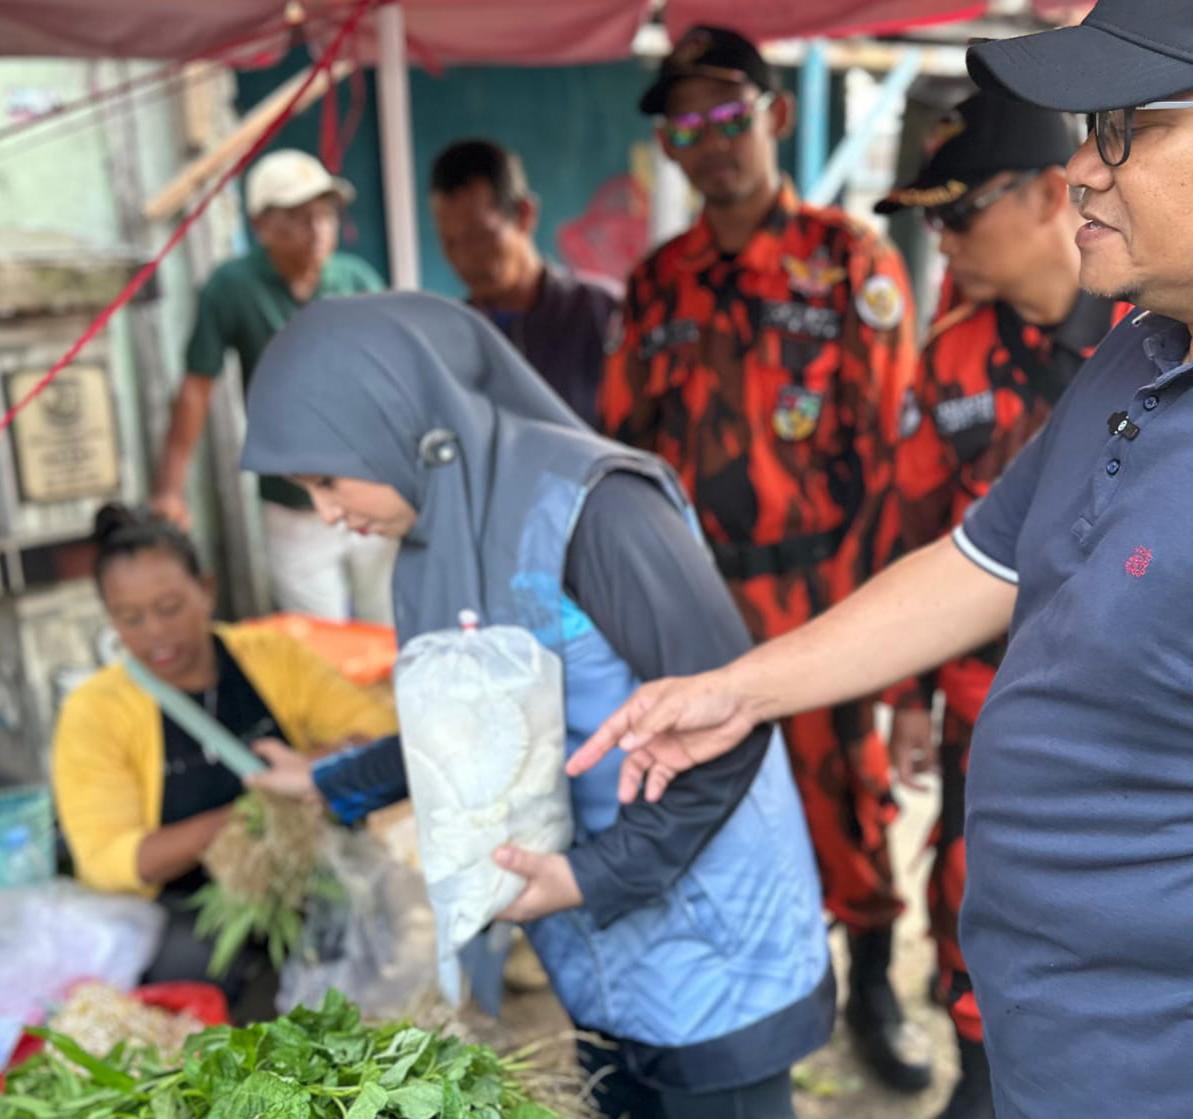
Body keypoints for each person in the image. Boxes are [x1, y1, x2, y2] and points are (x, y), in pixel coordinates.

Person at [570, 2, 1193, 1114]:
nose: (1080, 170)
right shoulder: (1137, 351)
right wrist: (736, 688)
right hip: (1053, 1038)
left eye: (1125, 126)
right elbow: (974, 561)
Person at [239, 291, 832, 1119]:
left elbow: (729, 727)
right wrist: (334, 782)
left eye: (327, 480)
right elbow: (475, 731)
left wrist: (585, 876)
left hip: (712, 948)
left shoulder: (595, 509)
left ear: (392, 418)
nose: (327, 514)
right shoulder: (435, 539)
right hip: (595, 944)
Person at [598, 24, 928, 1092]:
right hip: (694, 596)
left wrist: (893, 640)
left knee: (846, 792)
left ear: (773, 117)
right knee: (712, 796)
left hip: (824, 586)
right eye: (684, 125)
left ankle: (871, 985)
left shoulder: (849, 262)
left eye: (725, 113)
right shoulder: (655, 284)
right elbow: (623, 453)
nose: (708, 141)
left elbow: (894, 460)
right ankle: (747, 994)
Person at [873, 89, 1126, 1119]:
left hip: (1129, 711)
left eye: (959, 212)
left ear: (1044, 196)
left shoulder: (1157, 330)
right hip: (988, 709)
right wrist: (901, 698)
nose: (941, 239)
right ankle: (977, 1086)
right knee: (971, 907)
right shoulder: (952, 360)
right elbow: (914, 536)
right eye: (929, 218)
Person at [51, 504, 397, 1015]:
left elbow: (379, 731)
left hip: (300, 880)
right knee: (195, 961)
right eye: (131, 618)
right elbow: (111, 862)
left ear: (206, 590)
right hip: (184, 910)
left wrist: (311, 770)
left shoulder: (271, 656)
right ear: (110, 620)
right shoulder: (95, 713)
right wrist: (249, 812)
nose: (155, 633)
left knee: (362, 925)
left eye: (170, 607)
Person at [152, 148, 394, 623]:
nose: (318, 228)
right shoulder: (233, 287)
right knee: (322, 650)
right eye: (300, 217)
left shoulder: (356, 279)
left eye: (325, 214)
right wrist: (170, 490)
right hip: (295, 506)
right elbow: (197, 388)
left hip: (372, 490)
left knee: (391, 632)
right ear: (261, 225)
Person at [429, 139, 619, 428]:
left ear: (525, 214)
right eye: (450, 242)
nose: (465, 259)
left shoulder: (604, 314)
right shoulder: (450, 337)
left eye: (481, 237)